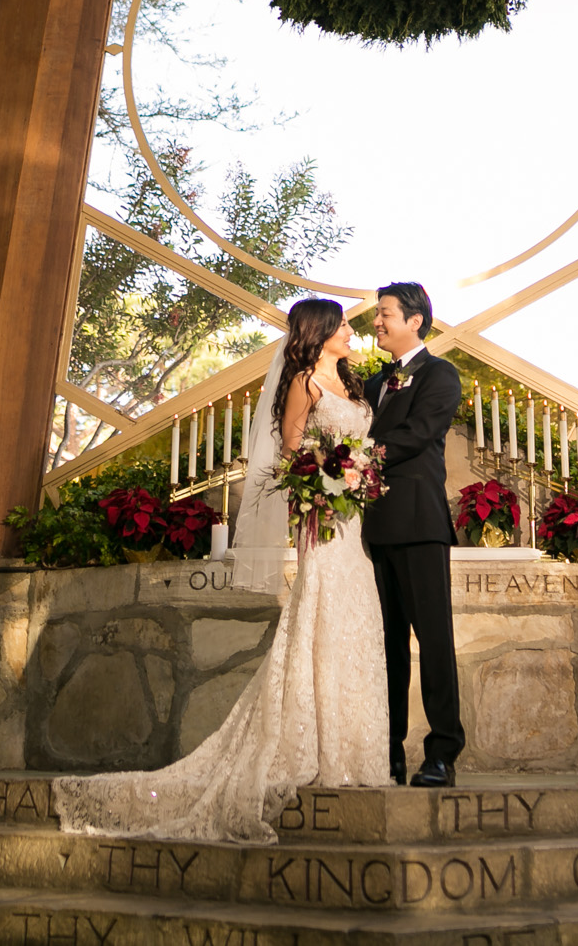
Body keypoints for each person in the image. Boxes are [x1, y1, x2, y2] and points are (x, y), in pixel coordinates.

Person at [51, 297, 390, 844]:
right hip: (324, 523)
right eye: (344, 324)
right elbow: (289, 456)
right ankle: (311, 746)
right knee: (324, 613)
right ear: (321, 330)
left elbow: (359, 449)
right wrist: (329, 486)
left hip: (354, 525)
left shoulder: (354, 382)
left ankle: (352, 751)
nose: (352, 331)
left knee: (355, 621)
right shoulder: (303, 382)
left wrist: (363, 475)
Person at [361, 281, 467, 788]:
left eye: (384, 314)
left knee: (434, 641)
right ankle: (389, 752)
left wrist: (357, 455)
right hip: (375, 528)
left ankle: (442, 753)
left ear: (414, 320)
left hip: (421, 525)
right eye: (376, 315)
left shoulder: (440, 374)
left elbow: (420, 433)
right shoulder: (371, 382)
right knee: (387, 647)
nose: (375, 323)